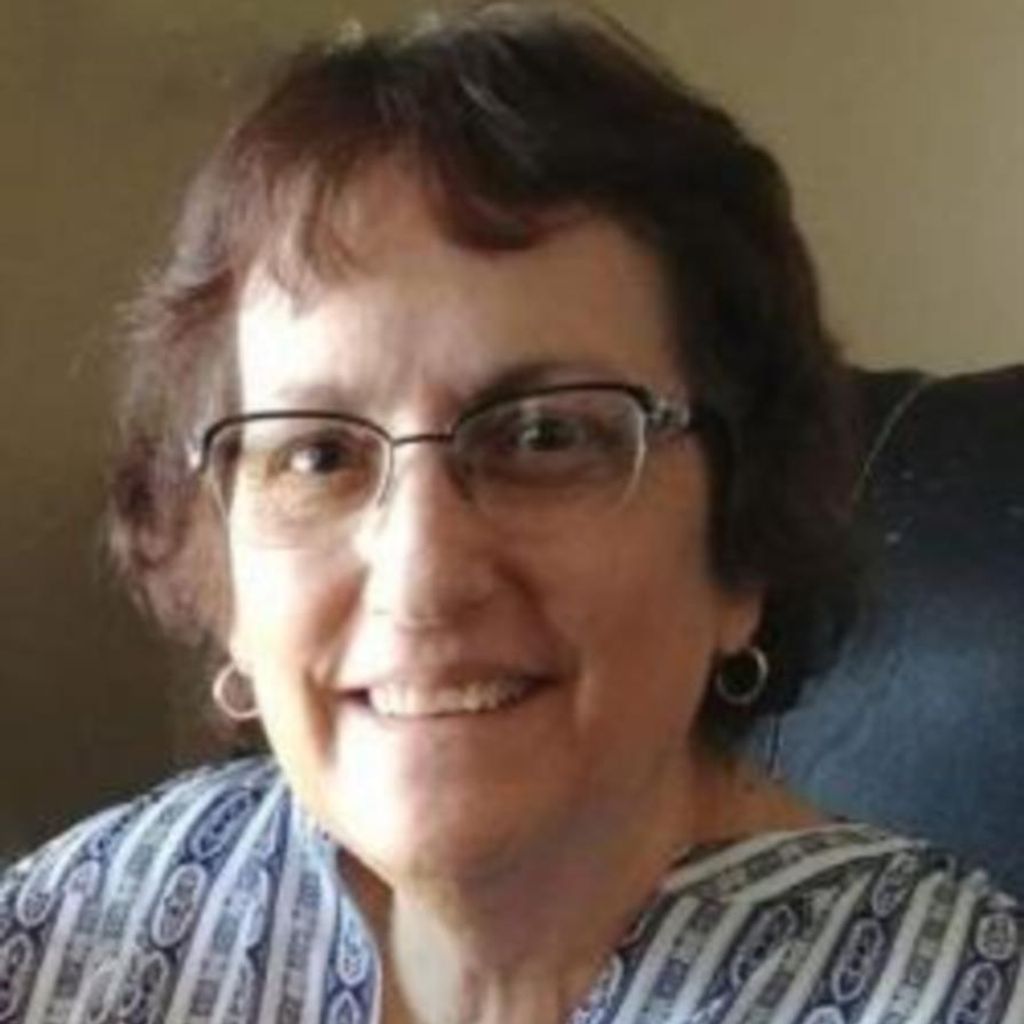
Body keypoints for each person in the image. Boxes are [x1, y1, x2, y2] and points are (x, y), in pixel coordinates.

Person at [3, 5, 1022, 1023]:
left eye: (545, 437)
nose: (421, 576)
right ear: (227, 582)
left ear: (740, 537)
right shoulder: (75, 939)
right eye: (317, 454)